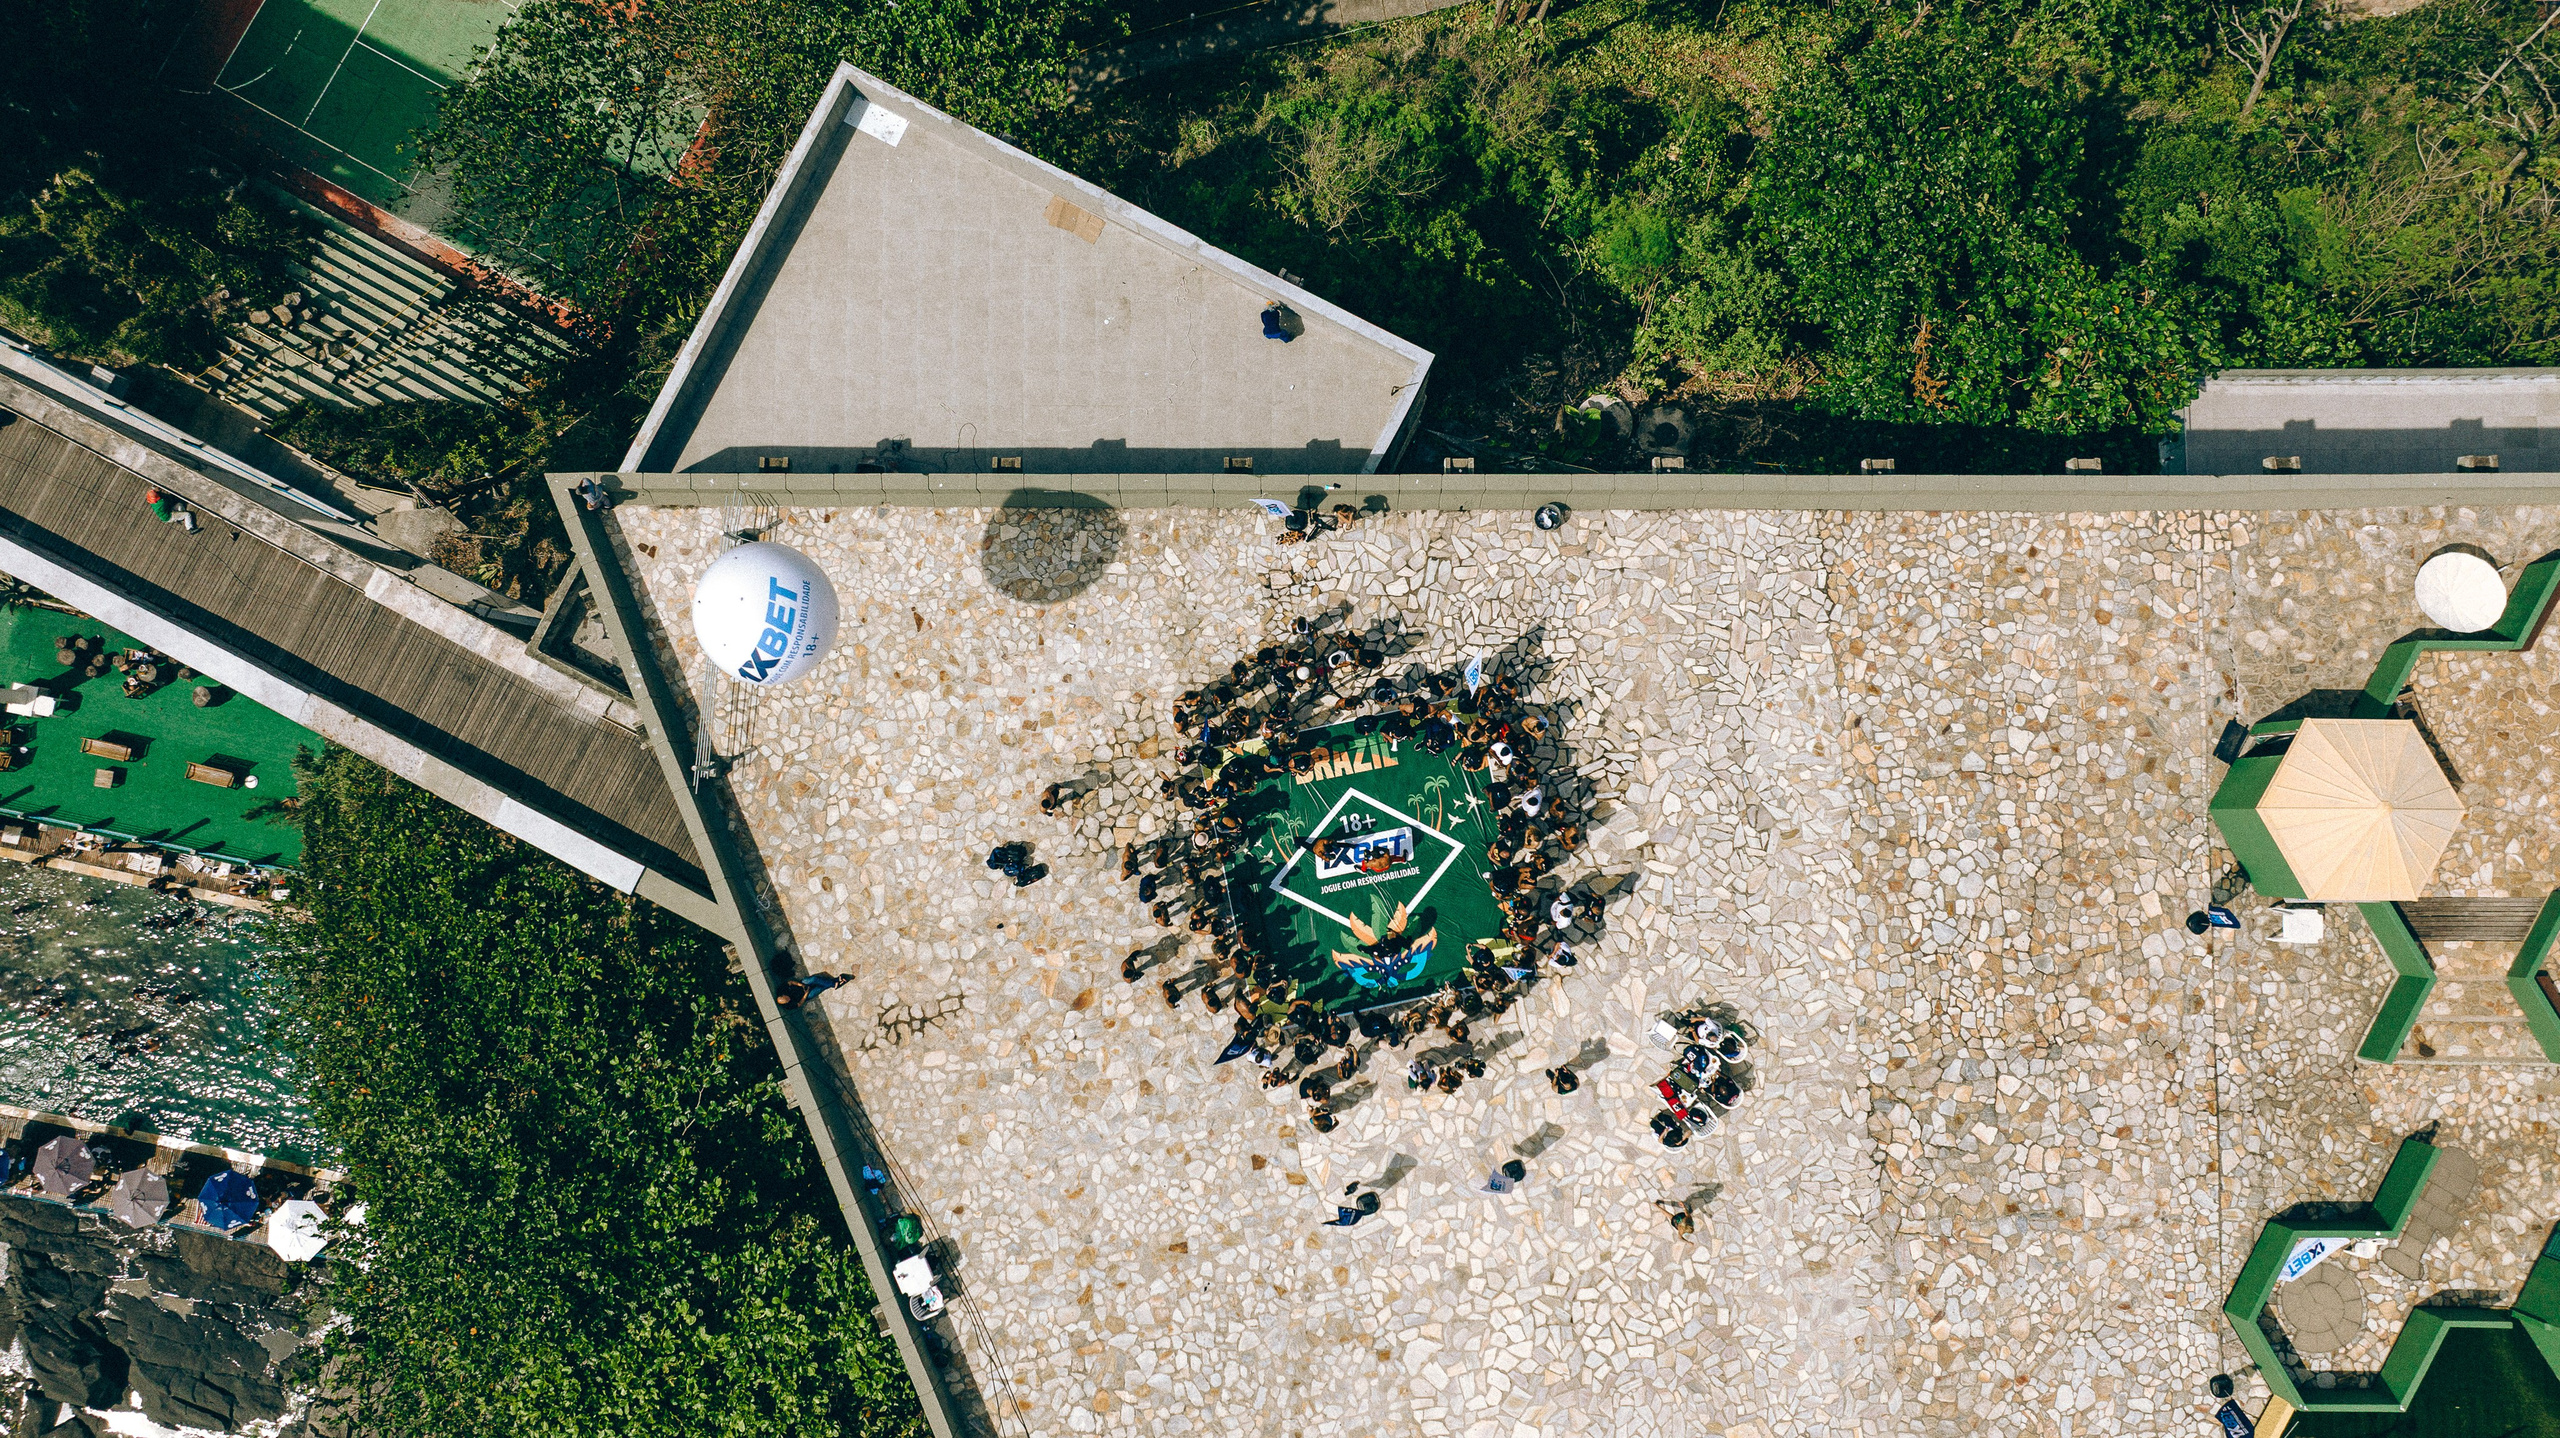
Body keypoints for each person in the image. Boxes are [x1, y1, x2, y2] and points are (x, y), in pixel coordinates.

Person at [774, 973, 842, 1009]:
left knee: (814, 979)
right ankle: (835, 982)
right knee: (819, 988)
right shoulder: (788, 1006)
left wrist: (801, 985)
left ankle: (834, 983)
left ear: (783, 995)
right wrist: (806, 993)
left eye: (787, 998)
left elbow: (790, 982)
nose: (789, 999)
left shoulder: (781, 990)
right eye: (788, 1001)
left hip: (801, 985)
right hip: (804, 996)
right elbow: (799, 1004)